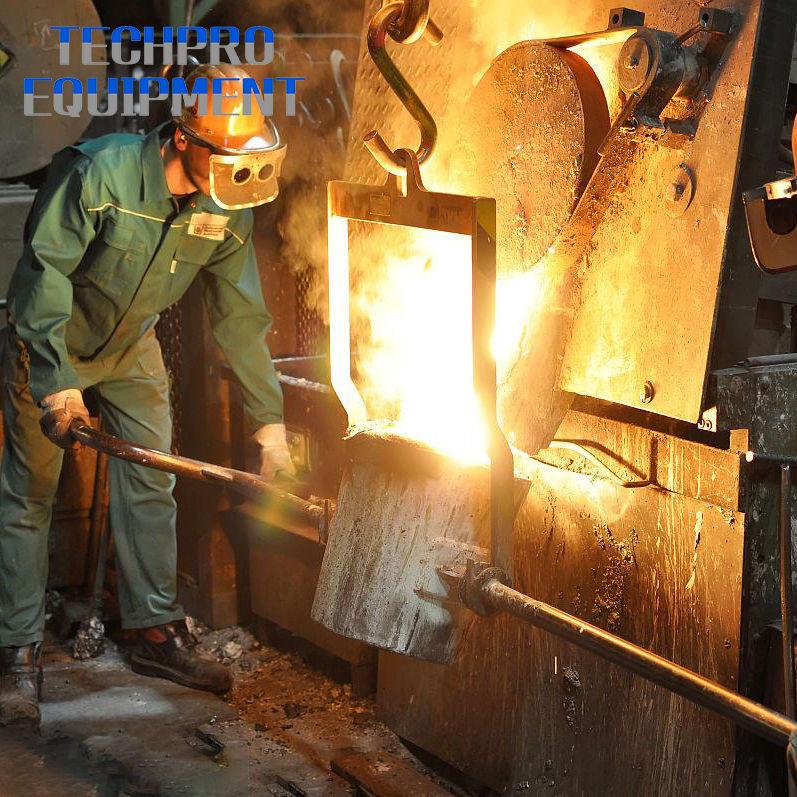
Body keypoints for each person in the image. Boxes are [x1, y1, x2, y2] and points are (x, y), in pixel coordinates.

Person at [0, 63, 295, 726]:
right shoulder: (99, 174)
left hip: (130, 346)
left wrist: (269, 425)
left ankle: (154, 630)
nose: (240, 170)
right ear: (183, 139)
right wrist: (56, 383)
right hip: (50, 342)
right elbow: (43, 275)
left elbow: (240, 317)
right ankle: (15, 649)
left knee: (151, 480)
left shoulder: (226, 202)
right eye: (227, 154)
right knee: (30, 494)